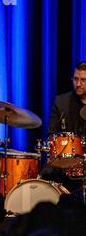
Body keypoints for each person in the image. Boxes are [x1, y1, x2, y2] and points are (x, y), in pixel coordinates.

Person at [40, 61, 86, 190]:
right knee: (48, 174)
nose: (78, 84)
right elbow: (52, 133)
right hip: (64, 162)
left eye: (83, 80)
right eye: (75, 79)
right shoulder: (61, 102)